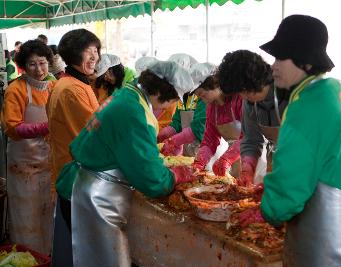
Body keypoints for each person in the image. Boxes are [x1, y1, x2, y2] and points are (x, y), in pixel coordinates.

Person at [237, 15, 341, 267]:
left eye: (281, 57)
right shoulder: (340, 93)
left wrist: (266, 210)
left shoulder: (307, 106)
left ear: (306, 63)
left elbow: (289, 188)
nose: (273, 66)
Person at [55, 60, 197, 267]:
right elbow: (152, 180)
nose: (169, 106)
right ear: (163, 94)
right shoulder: (135, 112)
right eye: (172, 100)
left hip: (78, 181)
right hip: (93, 196)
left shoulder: (126, 93)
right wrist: (175, 175)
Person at [47, 28, 100, 267]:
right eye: (89, 52)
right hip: (77, 176)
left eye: (96, 51)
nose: (95, 57)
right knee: (83, 246)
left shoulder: (72, 84)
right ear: (73, 55)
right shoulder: (71, 89)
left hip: (71, 173)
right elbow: (95, 134)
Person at [1, 40, 56, 254]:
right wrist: (45, 127)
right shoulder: (16, 89)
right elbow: (11, 128)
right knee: (27, 213)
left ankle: (48, 255)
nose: (39, 69)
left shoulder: (52, 86)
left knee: (46, 212)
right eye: (32, 64)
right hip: (23, 165)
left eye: (42, 63)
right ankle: (29, 255)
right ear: (23, 65)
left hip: (47, 163)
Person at [218, 50, 282, 186]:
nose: (242, 97)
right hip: (275, 159)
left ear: (250, 86)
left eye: (242, 92)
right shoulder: (249, 103)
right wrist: (247, 168)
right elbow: (251, 139)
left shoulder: (287, 92)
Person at [191, 73, 243, 178]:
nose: (201, 98)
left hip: (253, 155)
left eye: (202, 94)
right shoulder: (211, 109)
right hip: (234, 158)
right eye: (198, 96)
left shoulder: (238, 99)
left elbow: (250, 135)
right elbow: (210, 139)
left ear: (214, 85)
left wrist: (227, 158)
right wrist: (200, 161)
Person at [158, 62, 214, 157]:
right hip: (188, 147)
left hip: (207, 149)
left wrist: (174, 141)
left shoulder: (207, 101)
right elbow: (178, 121)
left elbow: (199, 127)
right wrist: (165, 133)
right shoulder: (188, 97)